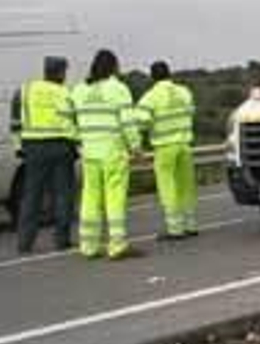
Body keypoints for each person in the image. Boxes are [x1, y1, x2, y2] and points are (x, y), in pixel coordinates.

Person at [68, 49, 142, 259]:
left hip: (89, 153)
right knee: (114, 198)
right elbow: (128, 122)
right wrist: (135, 148)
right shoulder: (118, 89)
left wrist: (79, 140)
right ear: (113, 67)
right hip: (113, 152)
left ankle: (89, 246)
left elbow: (66, 119)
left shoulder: (79, 90)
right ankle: (117, 245)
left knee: (90, 198)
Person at [14, 56, 78, 253]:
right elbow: (71, 123)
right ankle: (62, 240)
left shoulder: (24, 91)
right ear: (60, 72)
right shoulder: (65, 93)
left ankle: (24, 244)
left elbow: (15, 122)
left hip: (33, 148)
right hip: (60, 147)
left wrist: (18, 146)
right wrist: (77, 145)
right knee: (63, 194)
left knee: (31, 196)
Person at [136, 61, 198, 239]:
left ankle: (175, 229)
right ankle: (191, 224)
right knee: (186, 186)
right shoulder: (184, 92)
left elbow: (141, 121)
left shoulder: (150, 97)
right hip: (185, 145)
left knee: (168, 188)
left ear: (152, 77)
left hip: (164, 147)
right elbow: (191, 112)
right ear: (169, 74)